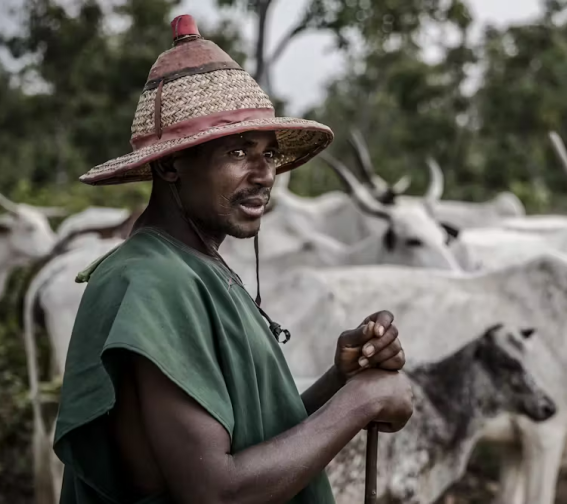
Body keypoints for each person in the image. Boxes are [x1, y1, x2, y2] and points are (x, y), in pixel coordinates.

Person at [52, 14, 413, 503]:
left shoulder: (196, 266)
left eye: (268, 153)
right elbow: (216, 491)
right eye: (239, 152)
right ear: (169, 164)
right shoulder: (151, 283)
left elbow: (242, 443)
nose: (265, 174)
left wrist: (339, 382)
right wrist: (361, 402)